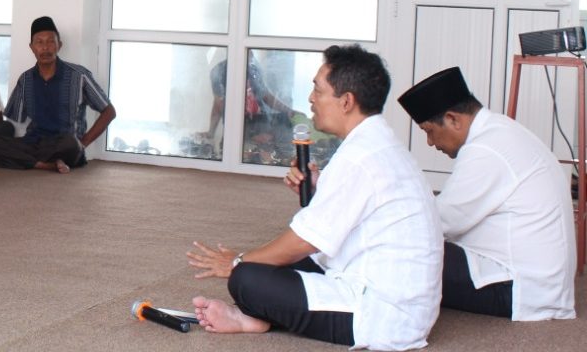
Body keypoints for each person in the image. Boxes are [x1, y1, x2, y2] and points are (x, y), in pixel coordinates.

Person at [186, 45, 442, 350]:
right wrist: (319, 190)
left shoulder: (360, 157)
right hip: (394, 295)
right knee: (272, 262)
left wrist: (237, 261)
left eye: (318, 90)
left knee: (247, 278)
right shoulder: (377, 144)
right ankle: (256, 319)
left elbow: (304, 242)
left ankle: (256, 314)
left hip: (384, 315)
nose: (310, 98)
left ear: (346, 101)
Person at [398, 67, 576, 321]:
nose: (430, 142)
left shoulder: (485, 150)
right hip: (540, 283)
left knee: (400, 248)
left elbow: (437, 223)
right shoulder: (501, 130)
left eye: (428, 131)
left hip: (517, 288)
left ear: (453, 119)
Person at [0, 16, 115, 173]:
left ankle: (30, 160)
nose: (45, 48)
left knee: (70, 143)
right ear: (32, 47)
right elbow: (14, 118)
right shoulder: (25, 79)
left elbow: (109, 112)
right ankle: (43, 164)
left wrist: (82, 143)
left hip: (65, 144)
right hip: (34, 143)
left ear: (59, 45)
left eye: (51, 41)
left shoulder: (79, 76)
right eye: (39, 42)